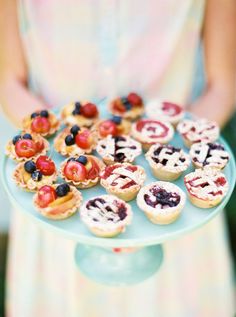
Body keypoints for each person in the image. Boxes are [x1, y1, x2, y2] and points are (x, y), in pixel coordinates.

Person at [0, 1, 236, 316]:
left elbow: (225, 84)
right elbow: (7, 81)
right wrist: (55, 146)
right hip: (57, 195)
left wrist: (183, 157)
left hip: (179, 199)